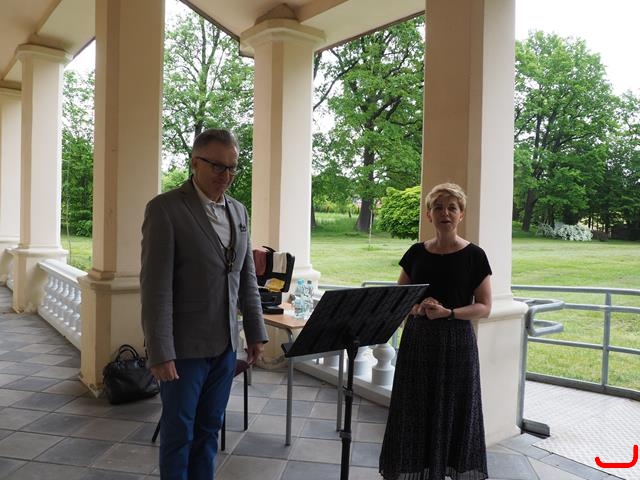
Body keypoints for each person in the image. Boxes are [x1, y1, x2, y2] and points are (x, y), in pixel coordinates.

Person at [140, 128, 268, 479]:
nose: (225, 175)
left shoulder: (239, 212)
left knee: (209, 430)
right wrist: (160, 352)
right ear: (195, 163)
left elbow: (246, 277)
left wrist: (255, 332)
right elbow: (155, 287)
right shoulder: (165, 209)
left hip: (225, 347)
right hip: (183, 350)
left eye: (232, 167)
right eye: (217, 166)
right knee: (179, 434)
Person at [379, 183, 492, 480]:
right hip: (418, 342)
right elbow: (399, 298)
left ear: (461, 214)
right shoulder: (416, 253)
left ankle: (445, 470)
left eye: (452, 208)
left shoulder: (475, 255)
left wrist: (449, 312)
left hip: (457, 345)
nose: (445, 213)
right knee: (415, 409)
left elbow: (484, 306)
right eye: (438, 207)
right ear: (429, 214)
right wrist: (416, 308)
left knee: (455, 410)